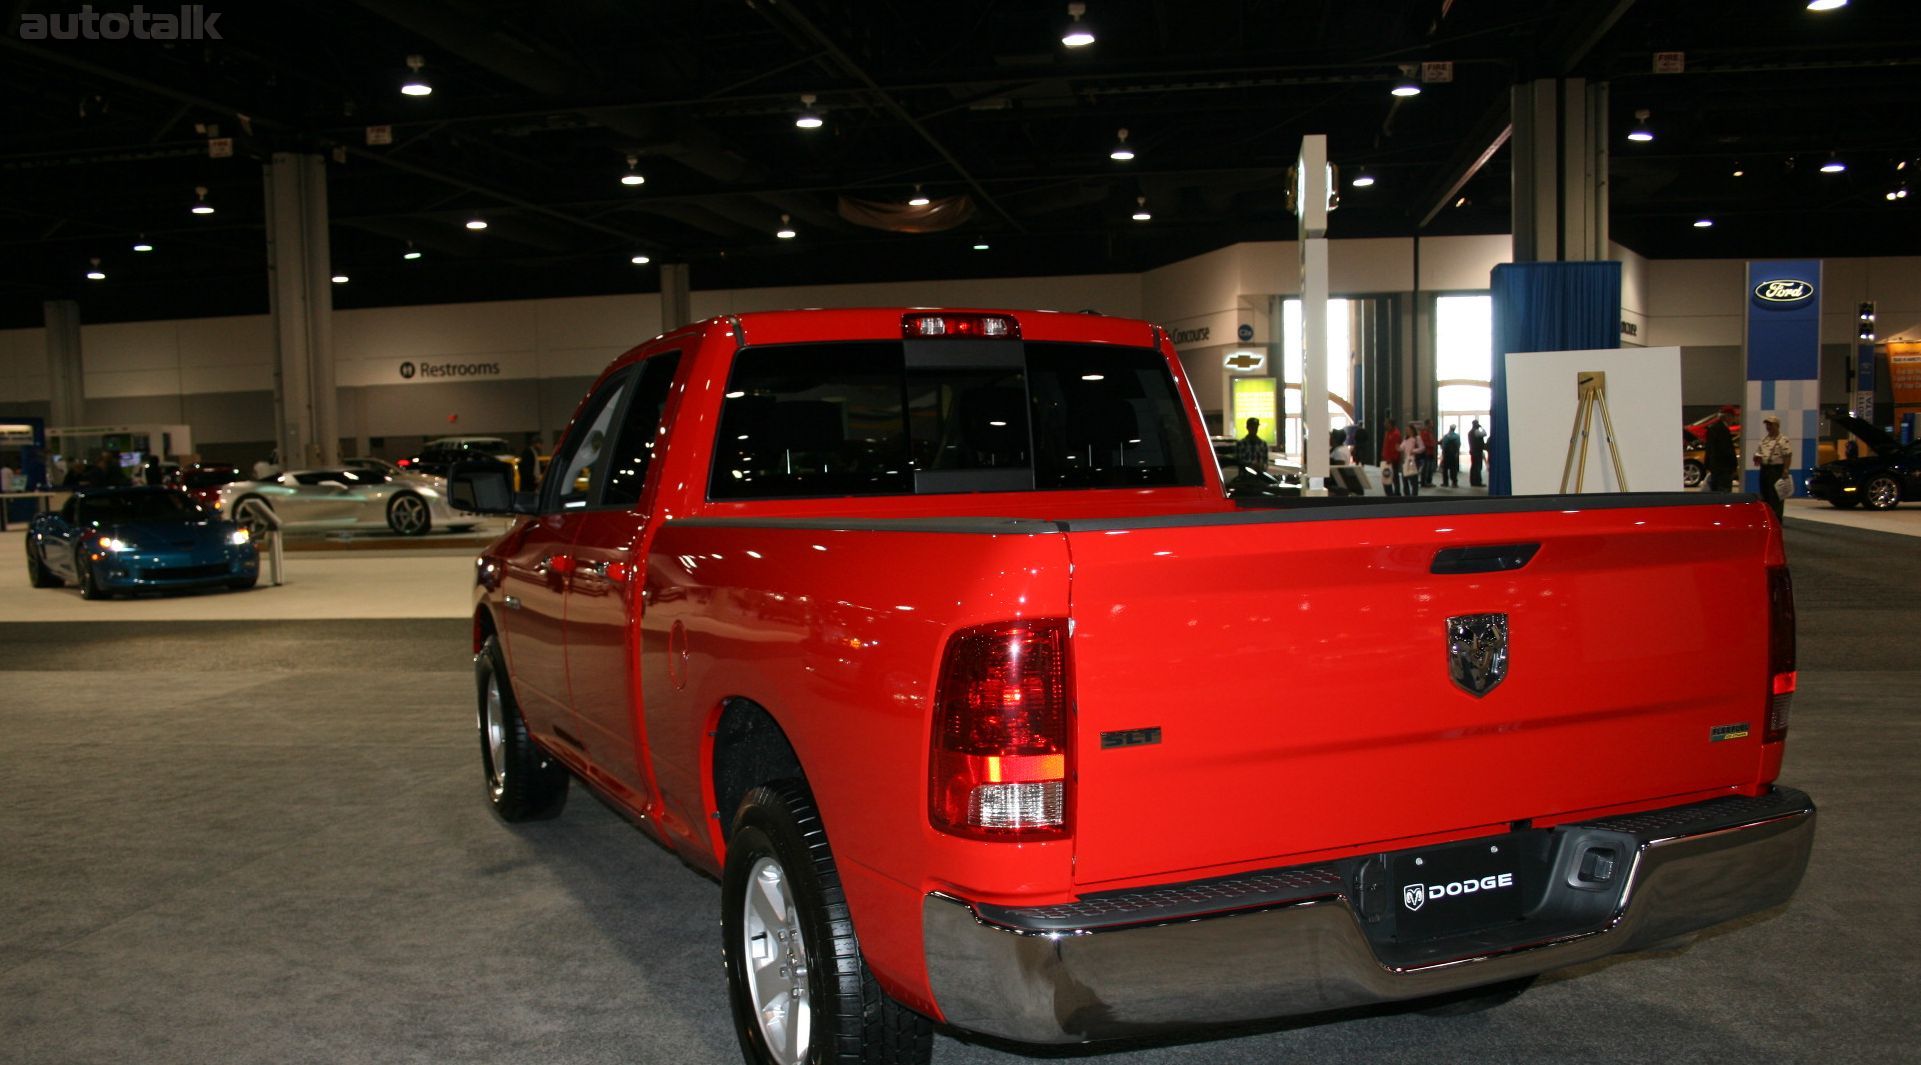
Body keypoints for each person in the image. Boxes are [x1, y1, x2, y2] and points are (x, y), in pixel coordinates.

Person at [1755, 414, 1792, 519]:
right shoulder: (1764, 440)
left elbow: (1787, 455)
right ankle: (1767, 518)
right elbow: (1759, 452)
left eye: (1770, 425)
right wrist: (1757, 457)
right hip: (1765, 469)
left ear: (1777, 425)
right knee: (1765, 494)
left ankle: (1777, 519)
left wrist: (1786, 469)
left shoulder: (1783, 440)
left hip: (1776, 469)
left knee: (1776, 496)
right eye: (1767, 425)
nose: (1768, 427)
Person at [1705, 406, 1739, 493]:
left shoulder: (1712, 428)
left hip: (1715, 468)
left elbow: (1708, 448)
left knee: (1715, 493)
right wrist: (1734, 465)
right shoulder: (1723, 430)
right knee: (1724, 492)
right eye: (1733, 416)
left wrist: (1708, 465)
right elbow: (1727, 450)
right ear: (1727, 416)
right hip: (1724, 469)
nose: (1733, 419)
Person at [1397, 424, 1425, 498]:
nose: (1407, 431)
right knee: (1404, 478)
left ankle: (1414, 495)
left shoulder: (1417, 438)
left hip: (1413, 461)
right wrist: (1398, 448)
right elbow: (1402, 447)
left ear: (1412, 430)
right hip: (1406, 461)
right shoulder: (1406, 439)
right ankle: (1407, 495)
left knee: (1413, 479)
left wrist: (1414, 451)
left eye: (1408, 430)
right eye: (1406, 430)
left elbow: (1422, 448)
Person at [1380, 420, 1403, 496]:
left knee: (1394, 476)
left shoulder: (1396, 434)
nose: (1384, 425)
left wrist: (1392, 458)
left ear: (1390, 424)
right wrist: (1384, 455)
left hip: (1392, 459)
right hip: (1386, 458)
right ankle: (1389, 492)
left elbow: (1396, 448)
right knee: (1387, 475)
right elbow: (1386, 445)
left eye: (1386, 424)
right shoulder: (1388, 432)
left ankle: (1397, 492)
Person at [1467, 419, 1487, 487]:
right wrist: (1482, 428)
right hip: (1477, 452)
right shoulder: (1476, 431)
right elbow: (1485, 434)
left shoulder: (1470, 432)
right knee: (1478, 467)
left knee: (1474, 467)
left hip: (1473, 451)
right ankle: (1478, 482)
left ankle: (1473, 481)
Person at [1417, 420, 1437, 486]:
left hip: (1431, 452)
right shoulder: (1424, 432)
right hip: (1426, 453)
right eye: (1431, 423)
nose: (1432, 424)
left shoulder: (1429, 432)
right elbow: (1424, 442)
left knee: (1430, 468)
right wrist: (1432, 445)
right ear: (1427, 424)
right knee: (1426, 468)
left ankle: (1428, 481)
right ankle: (1424, 482)